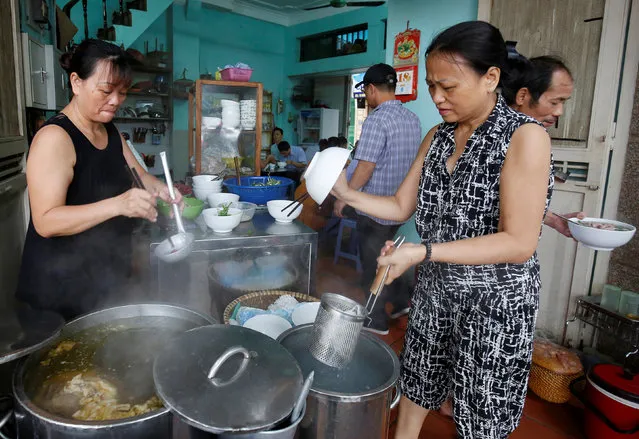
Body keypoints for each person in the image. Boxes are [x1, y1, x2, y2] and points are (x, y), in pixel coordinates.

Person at [332, 21, 553, 438]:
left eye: (448, 86)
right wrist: (344, 190)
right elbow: (401, 204)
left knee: (480, 416)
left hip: (494, 304)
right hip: (436, 291)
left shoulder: (524, 138)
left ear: (491, 78)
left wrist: (421, 252)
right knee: (417, 382)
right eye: (432, 85)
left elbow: (519, 242)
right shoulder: (437, 136)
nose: (436, 97)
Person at [15, 39, 182, 321]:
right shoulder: (55, 138)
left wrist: (161, 188)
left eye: (123, 92)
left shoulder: (110, 130)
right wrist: (119, 205)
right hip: (57, 294)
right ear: (76, 82)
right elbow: (46, 221)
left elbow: (139, 175)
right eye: (106, 90)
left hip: (101, 282)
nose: (116, 100)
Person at [334, 63, 422, 335]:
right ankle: (398, 304)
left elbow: (365, 167)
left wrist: (344, 199)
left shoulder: (376, 119)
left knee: (374, 262)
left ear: (371, 90)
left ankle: (376, 320)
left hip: (374, 209)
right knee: (390, 254)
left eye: (365, 93)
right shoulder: (412, 119)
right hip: (401, 208)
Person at [502, 50, 585, 237]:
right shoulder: (514, 135)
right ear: (523, 96)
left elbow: (511, 200)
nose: (559, 112)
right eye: (555, 102)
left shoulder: (522, 132)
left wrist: (554, 220)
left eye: (563, 102)